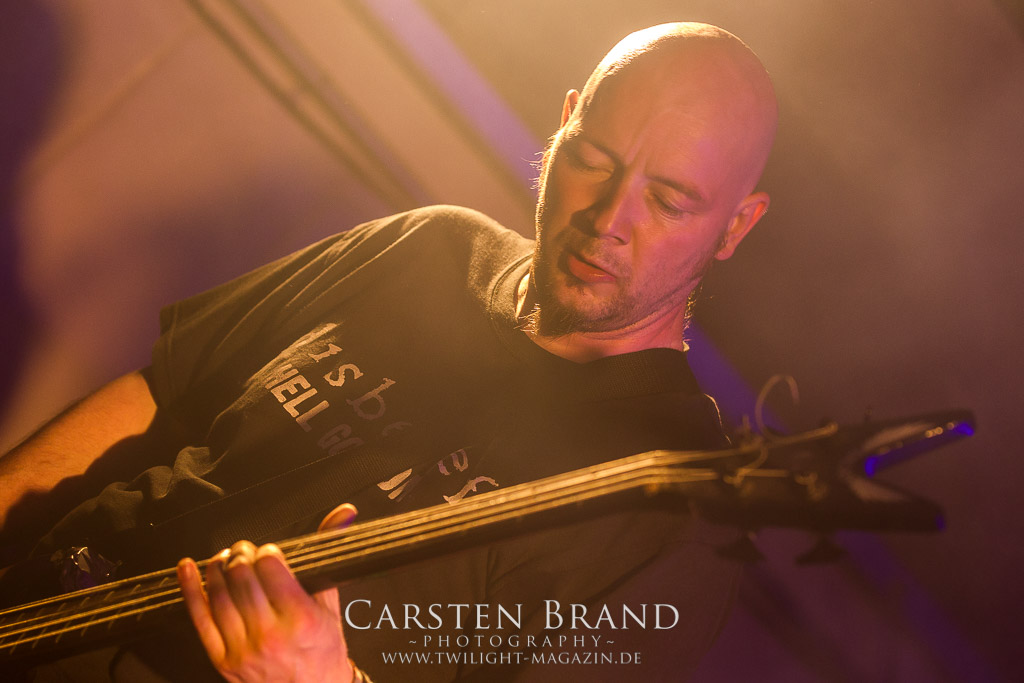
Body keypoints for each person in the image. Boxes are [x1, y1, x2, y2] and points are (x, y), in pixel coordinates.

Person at [0, 21, 777, 682]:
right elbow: (163, 391)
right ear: (565, 120)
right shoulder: (431, 247)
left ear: (736, 226)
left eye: (668, 199)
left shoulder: (675, 519)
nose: (608, 218)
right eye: (594, 160)